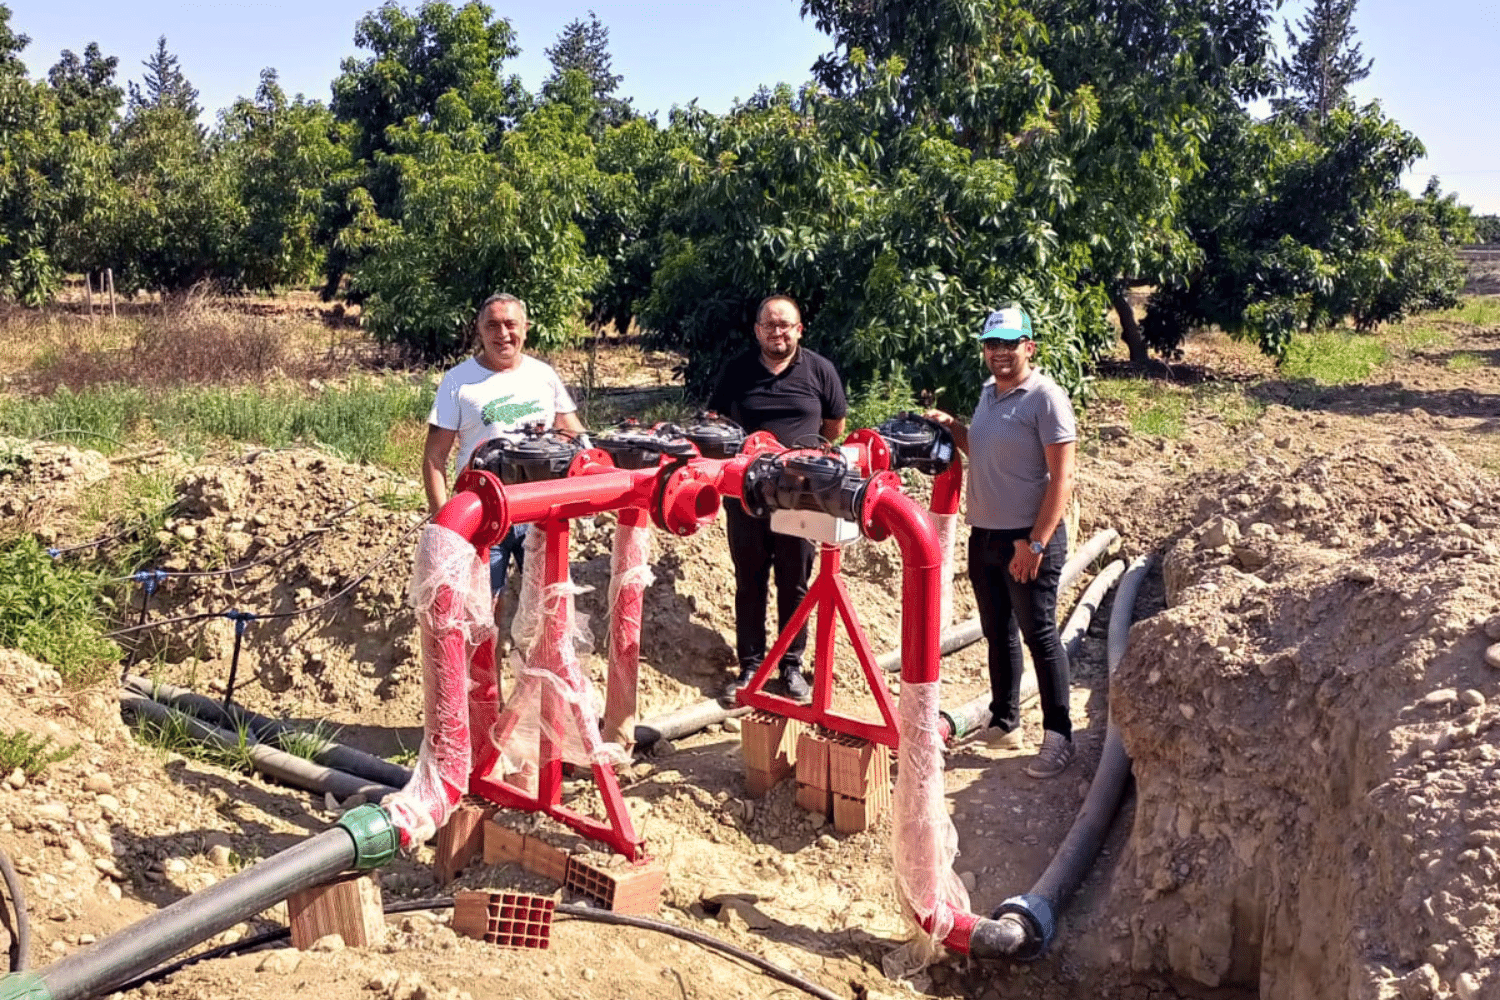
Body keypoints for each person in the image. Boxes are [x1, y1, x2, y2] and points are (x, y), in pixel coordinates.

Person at [927, 304, 1078, 779]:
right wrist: (954, 428)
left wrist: (1034, 543)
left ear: (1028, 347)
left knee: (1040, 635)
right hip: (985, 534)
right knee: (998, 632)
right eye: (993, 345)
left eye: (1011, 344)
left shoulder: (1046, 398)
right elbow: (984, 449)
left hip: (1027, 538)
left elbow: (1062, 476)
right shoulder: (989, 395)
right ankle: (1005, 720)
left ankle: (1059, 736)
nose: (1001, 353)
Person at [710, 295, 848, 703]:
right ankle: (751, 665)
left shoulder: (819, 370)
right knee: (749, 580)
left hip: (801, 497)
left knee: (796, 582)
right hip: (747, 495)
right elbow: (715, 425)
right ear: (757, 331)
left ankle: (791, 666)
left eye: (785, 325)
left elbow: (834, 426)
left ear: (799, 330)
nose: (777, 332)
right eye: (769, 325)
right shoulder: (737, 371)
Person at [423, 293, 585, 613]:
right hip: (483, 513)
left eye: (510, 324)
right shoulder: (458, 381)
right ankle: (486, 664)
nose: (503, 333)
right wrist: (445, 527)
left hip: (541, 513)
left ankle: (539, 664)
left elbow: (576, 437)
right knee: (483, 612)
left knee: (548, 609)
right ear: (479, 330)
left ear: (525, 328)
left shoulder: (543, 376)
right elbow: (434, 458)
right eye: (492, 325)